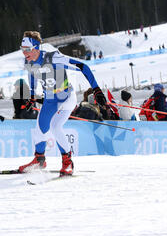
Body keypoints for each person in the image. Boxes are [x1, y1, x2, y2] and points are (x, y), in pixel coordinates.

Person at [18, 31, 107, 176]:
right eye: (23, 50)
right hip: (50, 99)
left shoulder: (54, 57)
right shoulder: (29, 62)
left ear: (36, 47)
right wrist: (33, 95)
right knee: (39, 128)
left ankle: (67, 163)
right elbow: (32, 76)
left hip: (66, 98)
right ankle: (39, 160)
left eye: (27, 50)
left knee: (55, 126)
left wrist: (96, 89)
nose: (25, 53)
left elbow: (83, 66)